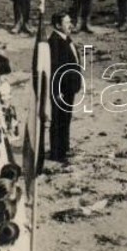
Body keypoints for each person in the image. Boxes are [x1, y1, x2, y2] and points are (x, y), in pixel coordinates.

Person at [48, 12, 83, 164]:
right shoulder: (55, 42)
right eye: (67, 22)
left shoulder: (64, 38)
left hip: (68, 87)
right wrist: (56, 92)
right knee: (59, 120)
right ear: (57, 25)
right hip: (61, 90)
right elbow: (55, 70)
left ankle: (64, 148)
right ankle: (58, 153)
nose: (71, 25)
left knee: (65, 118)